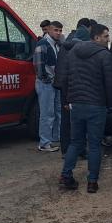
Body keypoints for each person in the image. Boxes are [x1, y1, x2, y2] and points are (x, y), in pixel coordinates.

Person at [59, 23, 112, 194]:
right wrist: (111, 104)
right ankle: (92, 182)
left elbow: (66, 77)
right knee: (95, 145)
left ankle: (66, 175)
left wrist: (68, 99)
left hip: (76, 104)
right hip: (96, 105)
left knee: (75, 142)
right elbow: (109, 83)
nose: (108, 39)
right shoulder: (104, 55)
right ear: (96, 37)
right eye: (106, 36)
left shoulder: (73, 52)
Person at [54, 23, 90, 156]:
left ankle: (67, 150)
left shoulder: (66, 47)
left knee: (67, 121)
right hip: (74, 90)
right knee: (76, 121)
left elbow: (61, 71)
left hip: (66, 89)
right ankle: (74, 150)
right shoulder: (78, 50)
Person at [33, 20, 62, 152]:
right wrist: (46, 79)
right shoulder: (43, 44)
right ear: (49, 30)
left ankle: (56, 138)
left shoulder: (56, 44)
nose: (58, 33)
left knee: (57, 111)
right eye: (56, 30)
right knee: (47, 113)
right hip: (46, 84)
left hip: (53, 83)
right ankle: (44, 143)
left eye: (60, 31)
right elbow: (38, 66)